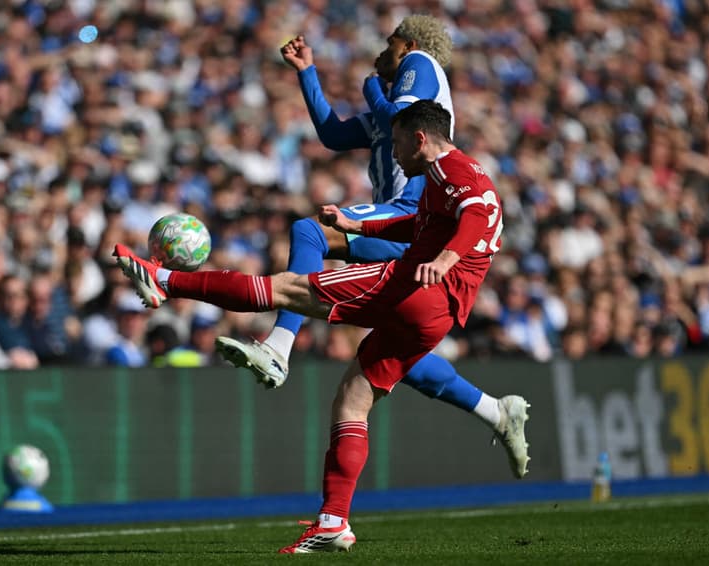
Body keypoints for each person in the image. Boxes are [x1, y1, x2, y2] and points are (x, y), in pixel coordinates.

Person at [114, 101, 529, 553]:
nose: (394, 155)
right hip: (440, 314)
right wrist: (356, 227)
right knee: (353, 398)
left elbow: (479, 214)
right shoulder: (441, 179)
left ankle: (164, 280)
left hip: (415, 288)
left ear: (420, 138)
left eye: (398, 144)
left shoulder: (453, 170)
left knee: (286, 288)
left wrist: (445, 258)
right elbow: (422, 224)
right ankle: (334, 522)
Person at [217, 15, 507, 445]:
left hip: (409, 212)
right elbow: (333, 135)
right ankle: (495, 410)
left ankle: (279, 345)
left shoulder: (421, 64)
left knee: (310, 232)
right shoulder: (391, 114)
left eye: (389, 44)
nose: (382, 52)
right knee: (397, 345)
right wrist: (307, 73)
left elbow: (397, 111)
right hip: (405, 225)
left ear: (406, 46)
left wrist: (370, 84)